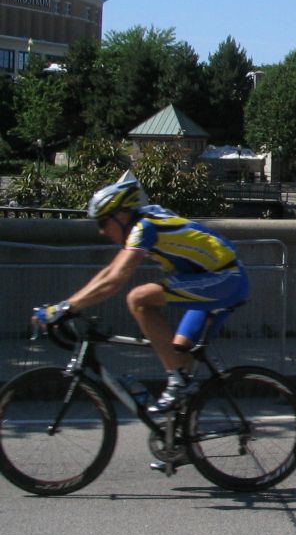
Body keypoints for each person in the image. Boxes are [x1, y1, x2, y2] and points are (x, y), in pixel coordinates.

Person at [31, 173, 249, 418]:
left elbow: (114, 282)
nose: (102, 231)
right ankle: (177, 442)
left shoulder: (144, 228)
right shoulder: (142, 224)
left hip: (225, 278)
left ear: (122, 215)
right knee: (177, 354)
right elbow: (109, 272)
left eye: (103, 222)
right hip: (215, 279)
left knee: (138, 299)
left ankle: (179, 383)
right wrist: (67, 304)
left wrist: (65, 309)